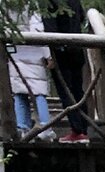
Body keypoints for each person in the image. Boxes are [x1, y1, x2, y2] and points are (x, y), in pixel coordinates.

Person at [41, 0, 88, 143]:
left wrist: (50, 53)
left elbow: (50, 28)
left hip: (61, 53)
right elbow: (81, 17)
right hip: (77, 49)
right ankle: (83, 130)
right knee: (78, 90)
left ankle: (77, 130)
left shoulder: (48, 2)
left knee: (65, 91)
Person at [6, 7, 55, 139]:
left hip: (16, 50)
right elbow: (38, 29)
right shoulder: (32, 5)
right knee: (38, 92)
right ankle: (45, 127)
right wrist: (47, 54)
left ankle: (23, 127)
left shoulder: (6, 4)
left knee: (19, 93)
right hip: (34, 51)